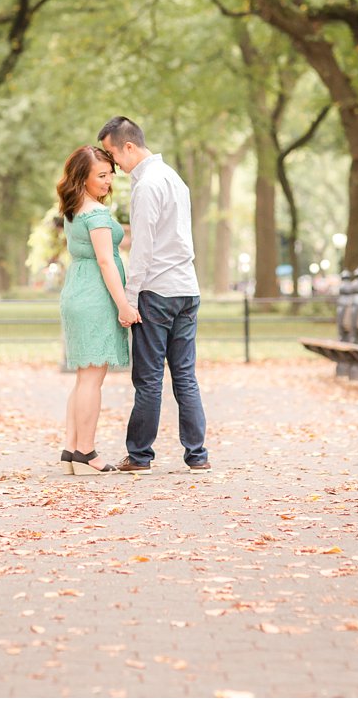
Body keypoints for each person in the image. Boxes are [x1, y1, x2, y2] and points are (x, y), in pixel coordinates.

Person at [96, 116, 211, 473]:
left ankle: (140, 455)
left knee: (148, 379)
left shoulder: (146, 186)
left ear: (129, 146)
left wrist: (129, 298)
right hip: (186, 289)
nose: (114, 165)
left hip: (157, 291)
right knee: (185, 376)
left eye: (114, 156)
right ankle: (197, 455)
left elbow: (143, 248)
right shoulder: (175, 178)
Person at [56, 145, 137, 475]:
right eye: (100, 176)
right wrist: (124, 306)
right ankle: (87, 453)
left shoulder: (75, 210)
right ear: (82, 178)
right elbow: (106, 260)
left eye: (109, 174)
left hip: (76, 289)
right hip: (96, 295)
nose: (108, 181)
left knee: (82, 378)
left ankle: (71, 450)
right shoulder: (97, 214)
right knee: (92, 379)